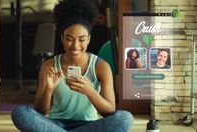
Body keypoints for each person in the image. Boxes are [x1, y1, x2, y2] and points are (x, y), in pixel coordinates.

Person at [11, 0, 133, 131]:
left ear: (89, 39)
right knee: (20, 113)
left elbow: (109, 111)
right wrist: (49, 88)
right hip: (55, 124)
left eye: (81, 39)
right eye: (69, 39)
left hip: (89, 125)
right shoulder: (49, 65)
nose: (75, 46)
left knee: (125, 118)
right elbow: (40, 111)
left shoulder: (100, 66)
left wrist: (90, 91)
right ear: (62, 38)